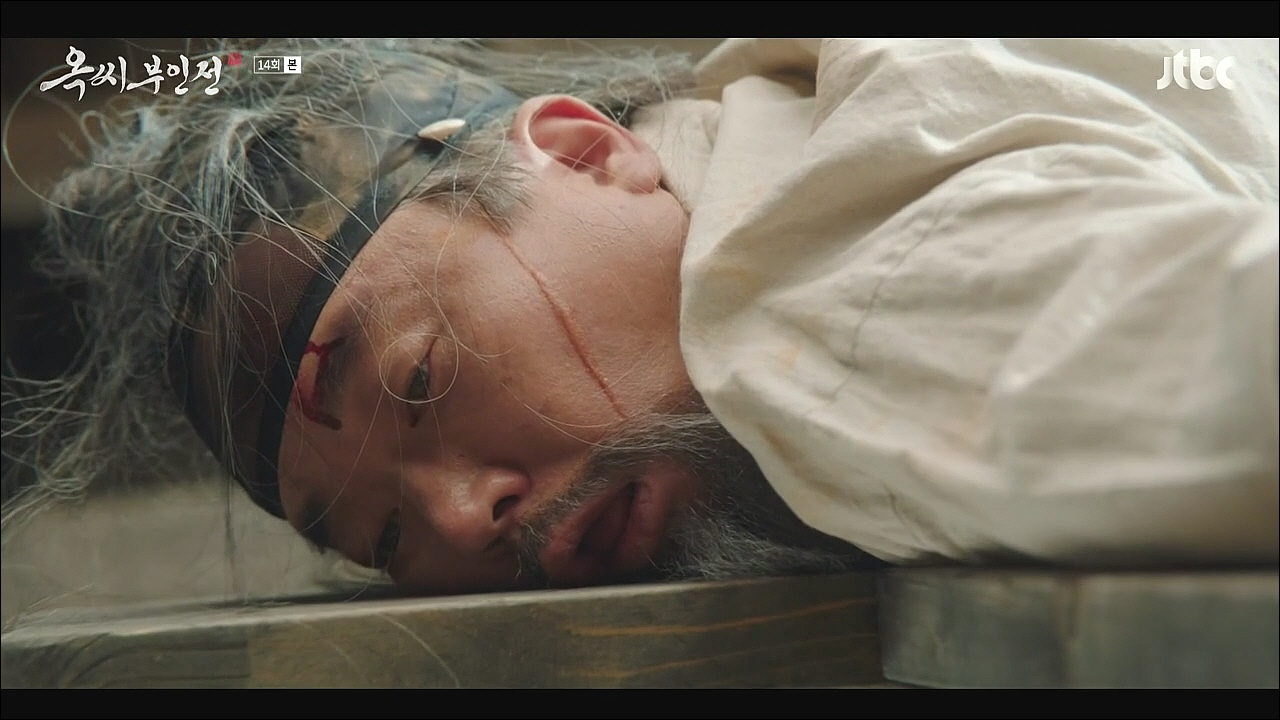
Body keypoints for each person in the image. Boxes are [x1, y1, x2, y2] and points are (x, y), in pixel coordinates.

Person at [3, 39, 1276, 597]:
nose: (463, 520)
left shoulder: (817, 316)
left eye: (421, 379)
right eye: (384, 537)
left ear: (580, 149)